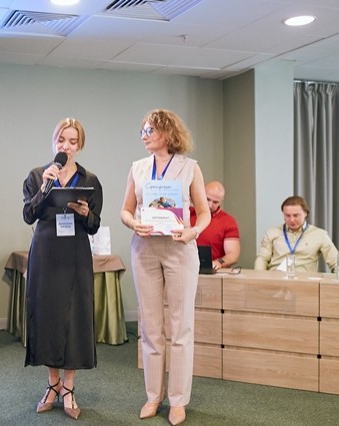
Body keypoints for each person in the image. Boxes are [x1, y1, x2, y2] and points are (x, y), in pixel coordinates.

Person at [120, 109, 210, 425]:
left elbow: (204, 212)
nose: (144, 136)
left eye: (150, 130)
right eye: (143, 131)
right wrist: (133, 224)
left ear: (168, 133)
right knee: (150, 327)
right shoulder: (138, 168)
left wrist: (193, 231)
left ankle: (178, 400)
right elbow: (125, 210)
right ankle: (153, 396)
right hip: (144, 249)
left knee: (181, 326)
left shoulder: (190, 168)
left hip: (179, 249)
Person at [22, 117, 103, 420]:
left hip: (76, 255)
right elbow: (28, 214)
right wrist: (45, 187)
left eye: (72, 141)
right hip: (46, 254)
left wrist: (84, 212)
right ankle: (52, 384)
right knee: (48, 317)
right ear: (54, 142)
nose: (66, 146)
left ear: (80, 145)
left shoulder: (90, 179)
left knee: (74, 317)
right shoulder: (37, 175)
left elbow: (94, 225)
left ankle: (69, 387)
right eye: (61, 140)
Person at [254, 195, 338, 272]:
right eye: (287, 215)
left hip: (304, 280)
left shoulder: (320, 235)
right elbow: (262, 258)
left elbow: (335, 262)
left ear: (305, 213)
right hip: (276, 278)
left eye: (296, 215)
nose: (291, 220)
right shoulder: (271, 233)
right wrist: (258, 277)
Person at [190, 180, 240, 270]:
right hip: (185, 266)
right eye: (207, 199)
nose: (210, 205)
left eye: (215, 202)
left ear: (221, 201)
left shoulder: (228, 221)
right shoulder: (188, 214)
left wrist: (219, 262)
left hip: (212, 269)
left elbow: (233, 254)